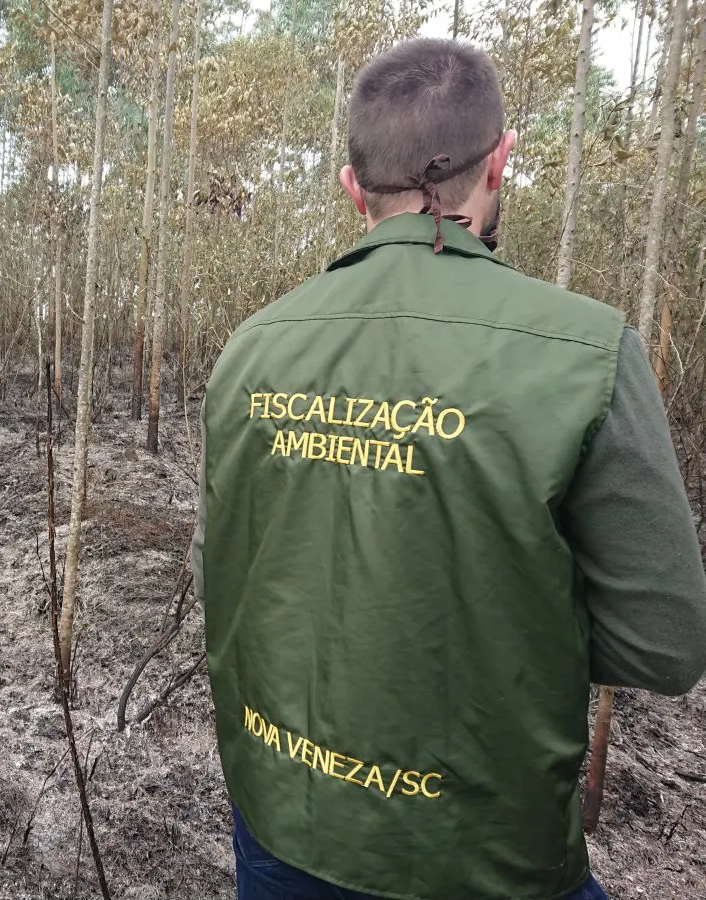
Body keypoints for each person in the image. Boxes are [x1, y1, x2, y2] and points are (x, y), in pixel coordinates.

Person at [191, 38, 706, 900]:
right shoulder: (584, 350)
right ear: (501, 160)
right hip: (484, 848)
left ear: (353, 186)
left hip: (281, 820)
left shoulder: (252, 347)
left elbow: (235, 571)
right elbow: (663, 645)